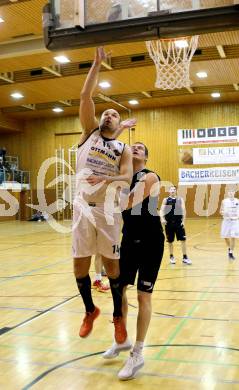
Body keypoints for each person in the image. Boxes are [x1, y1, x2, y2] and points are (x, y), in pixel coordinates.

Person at [73, 47, 136, 344]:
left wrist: (107, 177)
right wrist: (96, 64)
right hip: (82, 207)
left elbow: (126, 177)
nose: (109, 115)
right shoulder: (88, 133)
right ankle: (89, 310)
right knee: (79, 265)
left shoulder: (122, 148)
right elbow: (86, 97)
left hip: (108, 210)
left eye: (115, 114)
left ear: (118, 124)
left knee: (112, 268)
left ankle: (117, 317)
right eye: (107, 113)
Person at [103, 142, 165, 380]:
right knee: (119, 290)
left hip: (151, 242)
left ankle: (137, 352)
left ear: (146, 157)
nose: (136, 149)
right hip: (128, 240)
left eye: (140, 148)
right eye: (133, 147)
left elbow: (127, 202)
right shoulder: (123, 177)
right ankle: (122, 339)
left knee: (143, 295)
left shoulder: (150, 176)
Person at [160, 185, 192, 265]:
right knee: (170, 241)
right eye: (171, 189)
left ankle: (185, 257)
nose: (173, 190)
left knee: (183, 240)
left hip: (178, 223)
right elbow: (161, 210)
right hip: (169, 224)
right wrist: (162, 219)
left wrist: (183, 221)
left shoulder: (180, 199)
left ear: (176, 191)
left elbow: (184, 210)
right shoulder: (166, 200)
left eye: (174, 189)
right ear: (169, 191)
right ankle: (171, 256)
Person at [220, 189, 239, 260]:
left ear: (234, 192)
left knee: (233, 237)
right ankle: (230, 248)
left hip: (235, 221)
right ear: (227, 193)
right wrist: (224, 213)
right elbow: (220, 211)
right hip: (226, 221)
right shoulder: (224, 201)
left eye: (232, 191)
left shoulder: (238, 201)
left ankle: (231, 253)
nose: (231, 193)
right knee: (225, 236)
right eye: (229, 191)